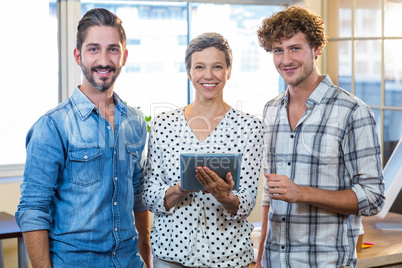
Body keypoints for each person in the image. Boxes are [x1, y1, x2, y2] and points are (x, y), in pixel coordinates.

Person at [15, 8, 150, 268]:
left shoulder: (135, 123)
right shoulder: (52, 126)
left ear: (124, 57)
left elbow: (138, 197)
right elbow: (33, 211)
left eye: (112, 49)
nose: (103, 60)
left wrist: (146, 259)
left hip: (129, 262)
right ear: (78, 55)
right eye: (93, 49)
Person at [255, 6, 385, 268]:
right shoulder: (271, 109)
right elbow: (271, 194)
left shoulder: (352, 111)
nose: (285, 59)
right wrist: (259, 261)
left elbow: (373, 198)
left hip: (325, 262)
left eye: (295, 48)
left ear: (316, 49)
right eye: (278, 50)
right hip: (274, 261)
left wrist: (302, 193)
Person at [142, 32, 264, 268]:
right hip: (171, 254)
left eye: (217, 66)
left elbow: (247, 199)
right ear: (189, 72)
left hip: (228, 257)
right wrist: (180, 189)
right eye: (200, 67)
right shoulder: (163, 124)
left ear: (229, 71)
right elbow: (149, 194)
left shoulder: (250, 127)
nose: (208, 75)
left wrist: (226, 198)